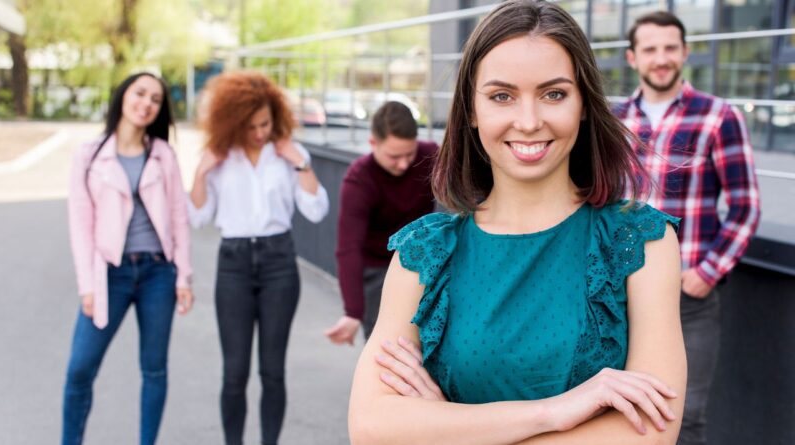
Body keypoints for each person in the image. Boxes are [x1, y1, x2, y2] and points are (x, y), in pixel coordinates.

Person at [348, 1, 687, 444]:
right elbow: (371, 427)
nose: (528, 122)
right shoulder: (425, 254)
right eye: (501, 96)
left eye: (554, 94)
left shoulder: (639, 242)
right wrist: (553, 413)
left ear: (584, 103)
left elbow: (651, 434)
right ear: (471, 110)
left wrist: (447, 427)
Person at [614, 11, 761, 445]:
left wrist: (707, 272)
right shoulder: (614, 120)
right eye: (650, 49)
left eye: (670, 48)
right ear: (632, 57)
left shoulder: (719, 117)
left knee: (685, 413)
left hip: (688, 295)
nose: (661, 58)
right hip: (620, 290)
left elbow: (745, 205)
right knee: (620, 407)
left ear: (685, 52)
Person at [188, 71, 329, 445]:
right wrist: (201, 173)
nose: (259, 132)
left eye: (265, 123)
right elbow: (198, 217)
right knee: (234, 372)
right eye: (250, 126)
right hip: (233, 262)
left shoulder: (288, 154)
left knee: (272, 371)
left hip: (278, 262)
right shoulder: (220, 156)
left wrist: (301, 163)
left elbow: (316, 209)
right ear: (233, 122)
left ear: (276, 116)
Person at [64, 72, 194, 445]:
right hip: (110, 275)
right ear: (123, 96)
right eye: (140, 93)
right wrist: (87, 286)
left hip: (158, 274)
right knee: (79, 370)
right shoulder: (89, 156)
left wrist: (183, 277)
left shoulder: (162, 154)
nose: (146, 103)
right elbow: (80, 225)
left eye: (155, 99)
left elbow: (179, 218)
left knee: (153, 370)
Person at [325, 101, 437, 345]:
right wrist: (353, 312)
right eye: (394, 156)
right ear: (373, 143)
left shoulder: (429, 155)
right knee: (386, 348)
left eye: (409, 154)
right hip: (378, 271)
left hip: (423, 264)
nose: (404, 164)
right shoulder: (359, 179)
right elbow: (348, 248)